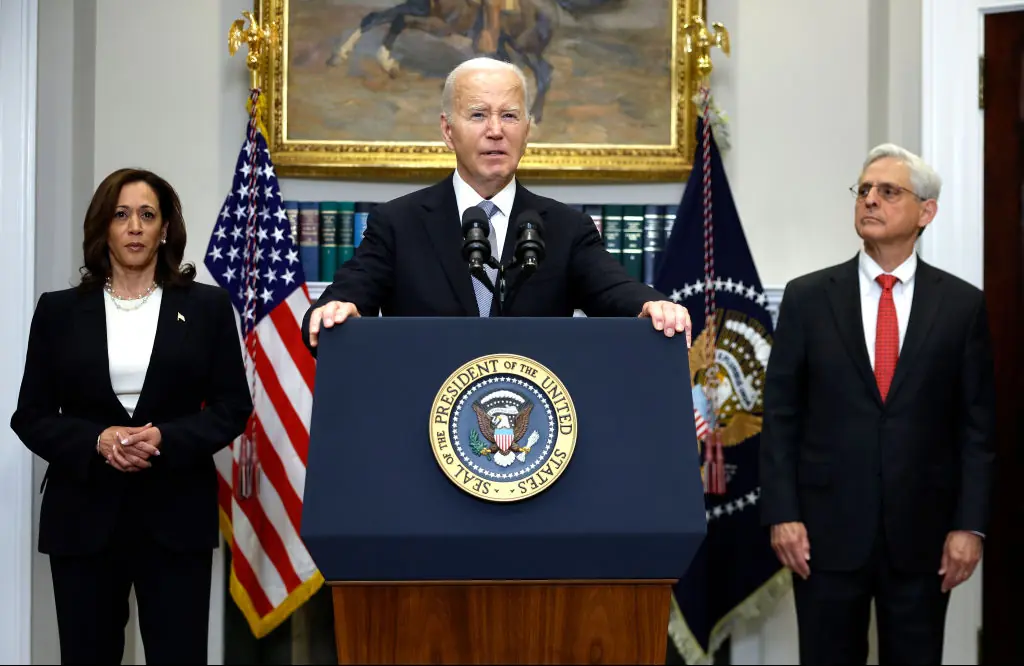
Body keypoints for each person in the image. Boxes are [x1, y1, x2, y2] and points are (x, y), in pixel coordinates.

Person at [760, 143, 996, 664]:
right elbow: (780, 417)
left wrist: (970, 526)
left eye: (888, 192)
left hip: (924, 539)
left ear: (925, 212)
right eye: (864, 190)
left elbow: (976, 428)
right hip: (822, 537)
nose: (870, 200)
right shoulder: (807, 298)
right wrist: (783, 514)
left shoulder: (962, 306)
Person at [10, 168, 253, 664]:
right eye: (121, 215)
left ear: (165, 229)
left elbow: (233, 407)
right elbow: (30, 415)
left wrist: (164, 437)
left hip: (176, 513)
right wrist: (98, 440)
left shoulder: (206, 307)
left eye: (147, 215)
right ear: (104, 227)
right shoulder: (58, 312)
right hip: (83, 516)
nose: (135, 227)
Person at [303, 57, 690, 351]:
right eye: (477, 115)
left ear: (527, 129)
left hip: (532, 431)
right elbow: (350, 294)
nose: (495, 131)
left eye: (509, 115)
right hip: (423, 424)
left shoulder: (564, 227)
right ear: (447, 130)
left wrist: (652, 306)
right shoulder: (398, 223)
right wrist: (335, 311)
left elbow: (616, 292)